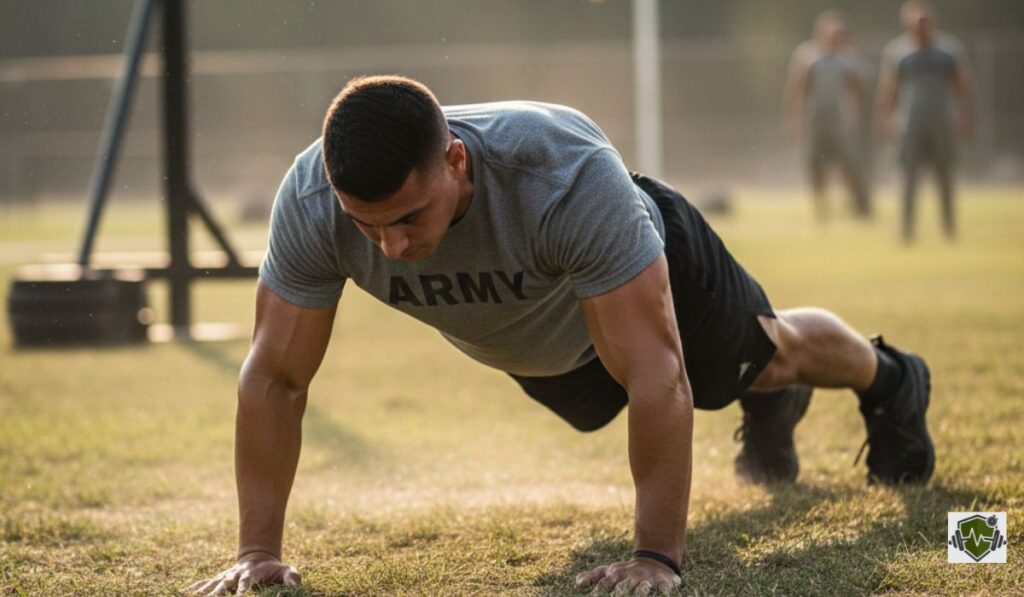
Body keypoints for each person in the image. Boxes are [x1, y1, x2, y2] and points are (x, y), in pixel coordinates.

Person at [188, 75, 934, 596]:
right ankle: (770, 396)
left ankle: (892, 379)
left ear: (453, 159)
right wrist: (257, 552)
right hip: (540, 341)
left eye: (408, 217)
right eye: (364, 226)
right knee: (595, 404)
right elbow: (276, 375)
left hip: (641, 267)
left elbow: (656, 371)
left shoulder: (561, 175)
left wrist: (655, 556)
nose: (388, 249)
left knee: (766, 358)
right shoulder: (312, 200)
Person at [876, 0, 973, 243]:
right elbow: (889, 89)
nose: (921, 28)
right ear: (907, 26)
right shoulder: (899, 52)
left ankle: (949, 227)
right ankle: (907, 228)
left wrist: (963, 115)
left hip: (942, 122)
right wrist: (886, 119)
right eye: (915, 24)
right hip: (910, 124)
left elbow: (961, 85)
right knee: (908, 175)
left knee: (945, 174)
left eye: (924, 23)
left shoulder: (948, 50)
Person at [783, 10, 872, 222]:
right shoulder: (808, 56)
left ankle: (858, 207)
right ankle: (821, 208)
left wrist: (856, 115)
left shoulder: (847, 59)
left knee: (849, 164)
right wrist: (795, 119)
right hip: (816, 121)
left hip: (840, 122)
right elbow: (797, 89)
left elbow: (859, 88)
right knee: (816, 166)